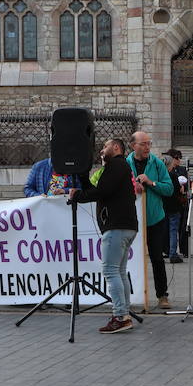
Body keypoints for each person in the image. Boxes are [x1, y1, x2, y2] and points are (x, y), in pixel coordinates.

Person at [69, 137, 138, 334]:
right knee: (120, 272)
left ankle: (120, 316)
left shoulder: (116, 165)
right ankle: (124, 314)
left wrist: (77, 196)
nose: (102, 150)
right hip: (126, 226)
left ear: (116, 147)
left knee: (111, 271)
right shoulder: (120, 167)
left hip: (117, 226)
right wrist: (84, 179)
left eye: (105, 146)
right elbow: (100, 191)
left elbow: (101, 192)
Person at [127, 131, 173, 310]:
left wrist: (150, 182)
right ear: (133, 146)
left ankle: (162, 295)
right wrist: (133, 187)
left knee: (157, 258)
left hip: (155, 219)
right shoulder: (125, 163)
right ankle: (131, 295)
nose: (147, 147)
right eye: (143, 144)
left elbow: (169, 189)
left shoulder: (157, 164)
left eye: (149, 143)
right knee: (130, 258)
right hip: (131, 219)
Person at [164, 149, 191, 263]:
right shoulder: (171, 175)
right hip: (173, 205)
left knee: (177, 228)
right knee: (172, 230)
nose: (179, 160)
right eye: (176, 158)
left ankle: (177, 250)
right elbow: (178, 189)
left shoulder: (179, 170)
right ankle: (171, 252)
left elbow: (186, 185)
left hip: (172, 204)